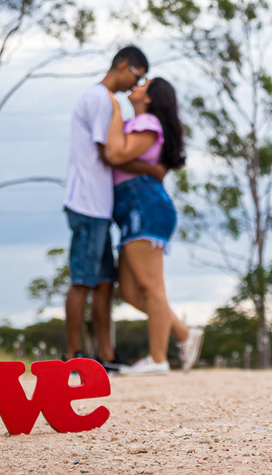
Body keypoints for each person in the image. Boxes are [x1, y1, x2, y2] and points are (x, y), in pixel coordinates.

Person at [102, 76, 203, 375]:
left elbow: (116, 154)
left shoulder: (147, 123)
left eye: (144, 84)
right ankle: (184, 333)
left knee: (151, 288)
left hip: (143, 206)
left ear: (150, 98)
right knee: (130, 292)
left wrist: (115, 110)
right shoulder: (139, 123)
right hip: (132, 208)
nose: (137, 85)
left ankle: (158, 359)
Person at [62, 45, 154, 368]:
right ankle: (72, 356)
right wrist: (151, 167)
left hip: (99, 206)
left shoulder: (105, 100)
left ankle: (106, 356)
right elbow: (111, 154)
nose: (135, 85)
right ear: (124, 65)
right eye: (137, 76)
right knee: (83, 280)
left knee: (104, 282)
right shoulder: (101, 99)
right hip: (86, 202)